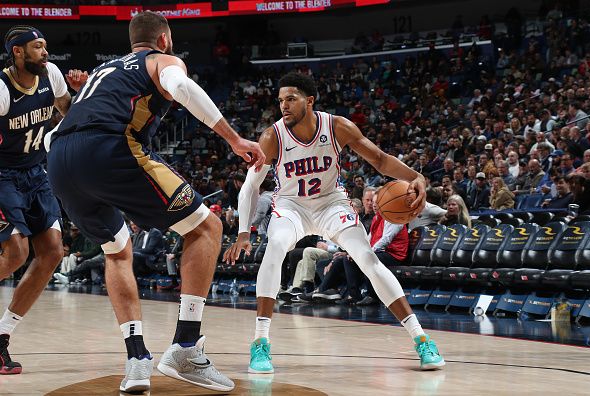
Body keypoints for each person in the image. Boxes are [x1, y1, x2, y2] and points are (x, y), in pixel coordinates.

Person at [44, 12, 264, 393]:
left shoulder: (107, 69)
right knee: (207, 227)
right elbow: (182, 86)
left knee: (116, 250)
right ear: (163, 39)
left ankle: (137, 361)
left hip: (60, 160)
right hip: (108, 148)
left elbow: (76, 114)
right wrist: (233, 138)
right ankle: (185, 346)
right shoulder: (160, 60)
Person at [224, 72, 444, 375]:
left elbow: (379, 159)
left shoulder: (337, 126)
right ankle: (260, 343)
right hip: (291, 206)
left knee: (368, 258)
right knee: (274, 248)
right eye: (280, 101)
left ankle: (421, 339)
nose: (283, 106)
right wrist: (243, 233)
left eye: (291, 99)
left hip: (331, 203)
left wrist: (415, 177)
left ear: (309, 100)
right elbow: (250, 187)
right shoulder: (272, 136)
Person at [0, 25, 86, 375]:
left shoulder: (51, 75)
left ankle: (3, 335)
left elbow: (70, 113)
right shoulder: (2, 89)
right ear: (18, 52)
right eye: (37, 47)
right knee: (17, 253)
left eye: (45, 46)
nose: (45, 52)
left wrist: (80, 95)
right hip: (3, 176)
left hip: (36, 173)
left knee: (52, 252)